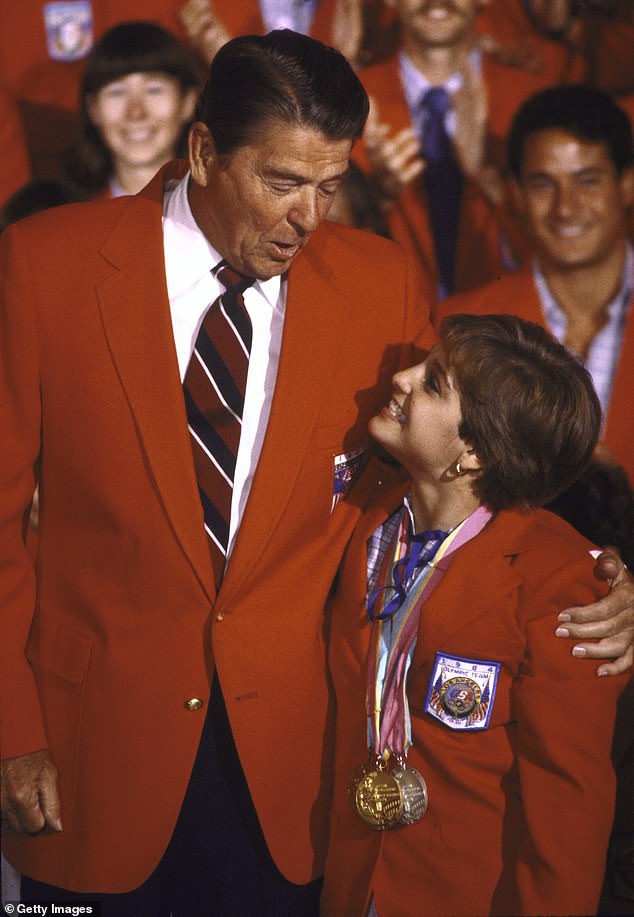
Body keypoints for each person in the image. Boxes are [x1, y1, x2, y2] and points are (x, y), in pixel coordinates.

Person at [0, 28, 631, 917]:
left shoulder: (378, 282)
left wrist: (587, 582)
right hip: (84, 757)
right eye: (285, 183)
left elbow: (457, 466)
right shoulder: (44, 264)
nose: (309, 218)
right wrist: (11, 729)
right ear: (206, 150)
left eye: (331, 187)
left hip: (293, 775)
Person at [321, 313, 630, 917]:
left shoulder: (560, 585)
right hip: (349, 886)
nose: (403, 376)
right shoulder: (363, 520)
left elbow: (570, 811)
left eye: (434, 382)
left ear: (476, 453)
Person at [436, 85, 634, 484]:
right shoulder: (462, 324)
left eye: (587, 181)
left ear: (627, 186)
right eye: (544, 184)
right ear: (517, 195)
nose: (565, 207)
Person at [353, 0, 584, 300]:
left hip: (505, 326)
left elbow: (568, 254)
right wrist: (372, 197)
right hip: (388, 318)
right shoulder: (351, 97)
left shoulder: (537, 96)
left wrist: (485, 173)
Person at [64, 21, 200, 198]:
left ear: (188, 102)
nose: (136, 112)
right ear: (93, 109)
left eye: (154, 90)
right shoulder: (67, 217)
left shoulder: (226, 213)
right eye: (117, 92)